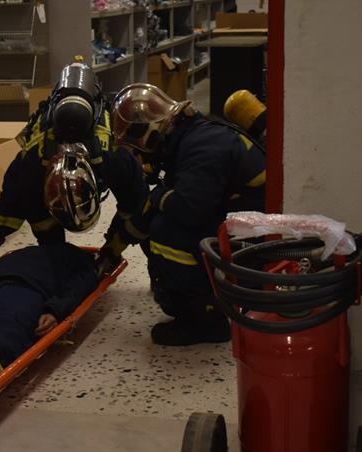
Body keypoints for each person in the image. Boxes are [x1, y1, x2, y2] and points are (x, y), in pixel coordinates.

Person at [0, 60, 147, 281]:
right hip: (36, 179)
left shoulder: (114, 160)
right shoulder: (29, 170)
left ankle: (161, 280)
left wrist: (112, 250)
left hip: (95, 165)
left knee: (146, 219)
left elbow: (137, 208)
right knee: (48, 242)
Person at [111, 83, 266, 346]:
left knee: (165, 231)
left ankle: (204, 322)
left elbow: (188, 209)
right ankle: (196, 296)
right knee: (159, 216)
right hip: (243, 222)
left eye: (138, 147)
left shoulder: (203, 146)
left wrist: (158, 197)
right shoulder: (193, 135)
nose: (142, 157)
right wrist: (115, 246)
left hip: (254, 242)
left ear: (149, 132)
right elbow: (157, 204)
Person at [0, 243, 100, 378]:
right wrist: (55, 310)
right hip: (24, 290)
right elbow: (77, 290)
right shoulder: (82, 263)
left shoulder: (24, 251)